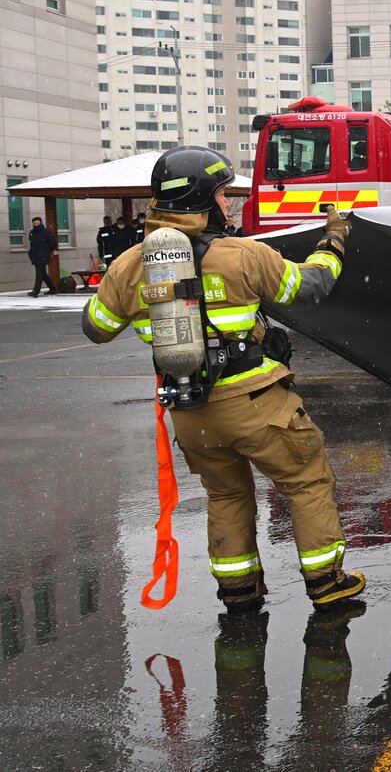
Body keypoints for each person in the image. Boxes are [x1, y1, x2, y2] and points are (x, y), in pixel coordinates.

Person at [81, 145, 365, 615]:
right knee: (307, 481)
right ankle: (327, 582)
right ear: (204, 200)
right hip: (257, 405)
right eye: (222, 194)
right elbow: (311, 286)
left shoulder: (130, 266)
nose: (228, 204)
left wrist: (131, 287)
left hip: (192, 413)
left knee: (227, 494)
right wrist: (333, 239)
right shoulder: (243, 255)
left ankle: (238, 592)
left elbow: (96, 329)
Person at [27, 217, 58, 297]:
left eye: (37, 223)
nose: (36, 225)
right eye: (34, 224)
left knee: (39, 274)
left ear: (41, 223)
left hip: (43, 256)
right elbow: (31, 244)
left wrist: (46, 251)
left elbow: (53, 244)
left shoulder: (46, 233)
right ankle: (53, 288)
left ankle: (36, 291)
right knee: (43, 274)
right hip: (35, 256)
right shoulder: (32, 233)